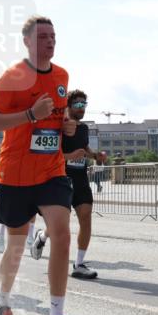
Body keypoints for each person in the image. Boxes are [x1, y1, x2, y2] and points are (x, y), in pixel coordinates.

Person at [0, 15, 83, 315]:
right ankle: (3, 301)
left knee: (63, 235)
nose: (50, 41)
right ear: (26, 41)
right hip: (16, 173)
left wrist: (66, 125)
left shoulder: (62, 75)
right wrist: (28, 116)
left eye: (53, 36)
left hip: (51, 171)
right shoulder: (12, 77)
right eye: (42, 37)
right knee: (17, 246)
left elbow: (60, 116)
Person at [62, 89, 98, 279]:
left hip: (81, 178)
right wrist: (69, 157)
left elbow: (84, 149)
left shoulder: (84, 128)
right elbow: (49, 154)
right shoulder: (60, 127)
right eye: (77, 104)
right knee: (59, 224)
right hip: (62, 178)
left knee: (85, 217)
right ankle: (42, 237)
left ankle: (79, 264)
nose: (81, 108)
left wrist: (95, 156)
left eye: (84, 104)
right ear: (68, 106)